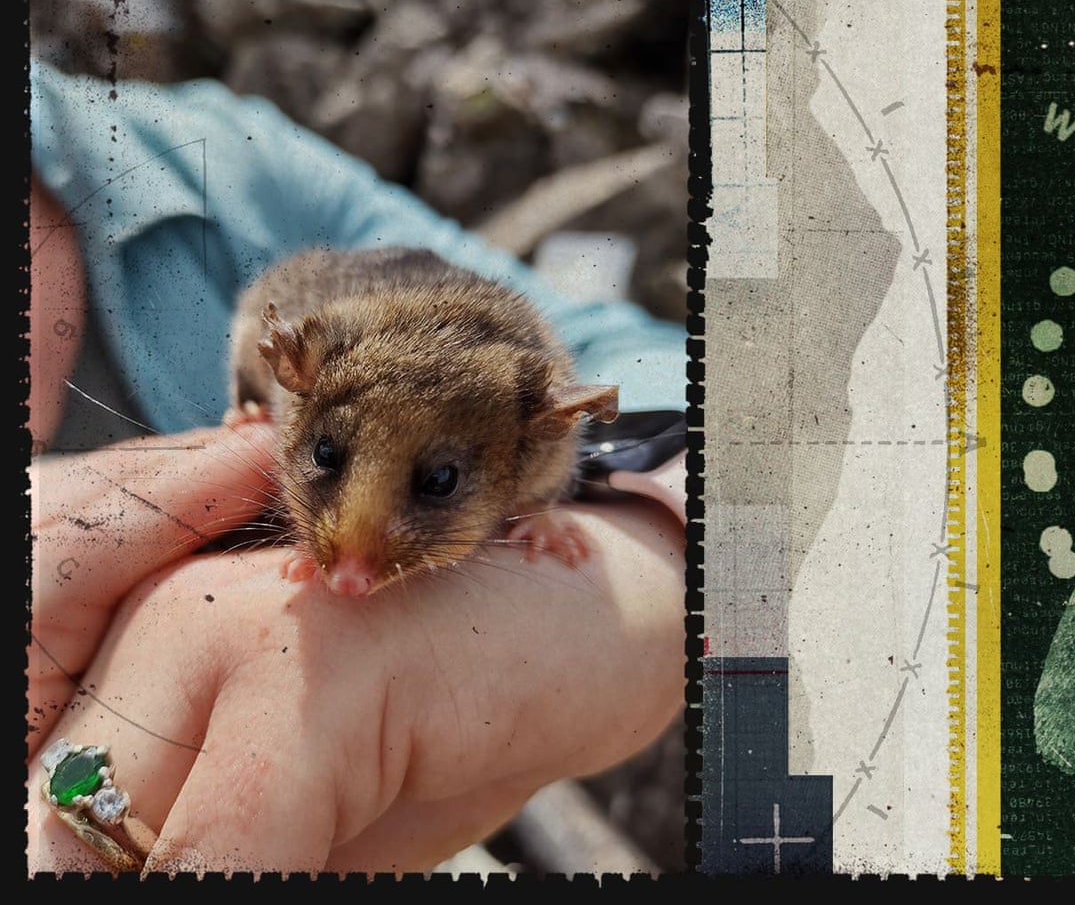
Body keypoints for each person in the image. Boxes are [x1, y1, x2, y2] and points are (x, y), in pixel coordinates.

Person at [27, 58, 687, 875]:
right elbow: (266, 320)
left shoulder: (219, 156)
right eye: (328, 458)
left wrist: (635, 564)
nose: (351, 580)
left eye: (436, 485)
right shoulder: (294, 325)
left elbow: (667, 372)